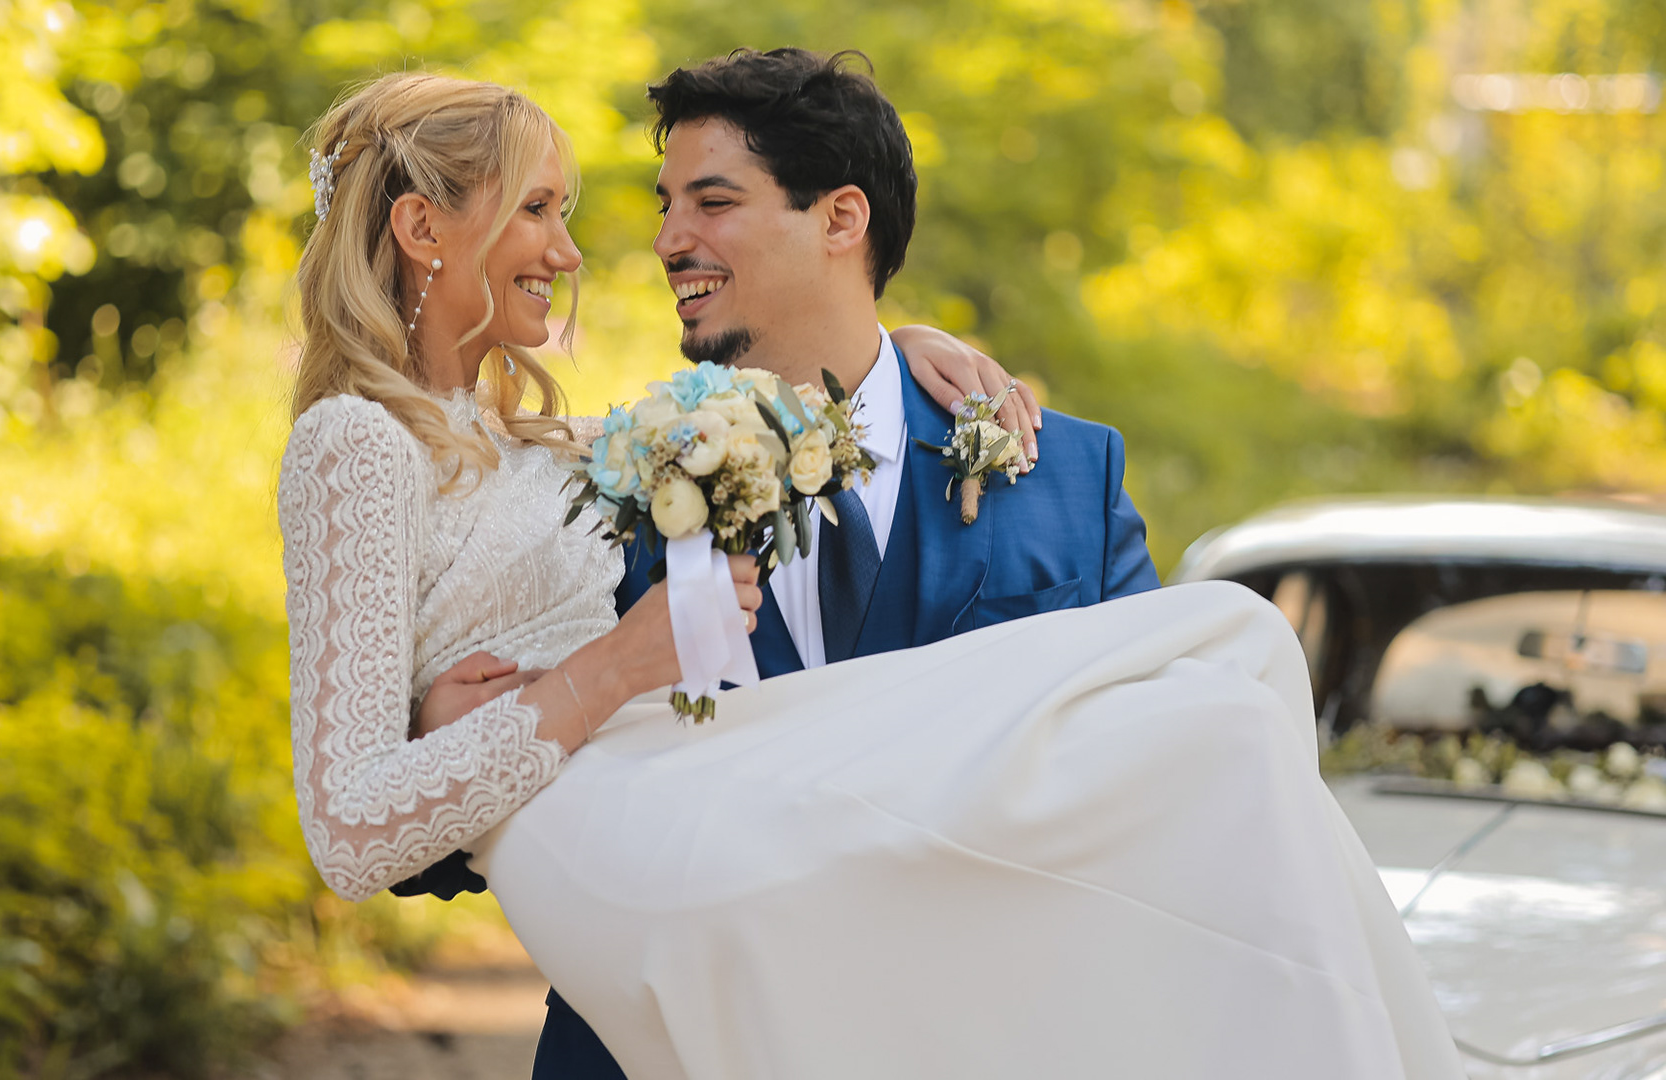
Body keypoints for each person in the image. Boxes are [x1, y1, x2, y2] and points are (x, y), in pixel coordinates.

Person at [278, 64, 1463, 1080]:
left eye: (711, 201)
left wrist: (902, 349)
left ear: (842, 219)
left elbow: (1158, 807)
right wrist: (489, 711)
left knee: (1224, 710)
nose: (649, 242)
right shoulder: (647, 468)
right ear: (423, 229)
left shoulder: (1056, 472)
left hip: (994, 1037)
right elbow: (427, 803)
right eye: (645, 206)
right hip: (676, 1027)